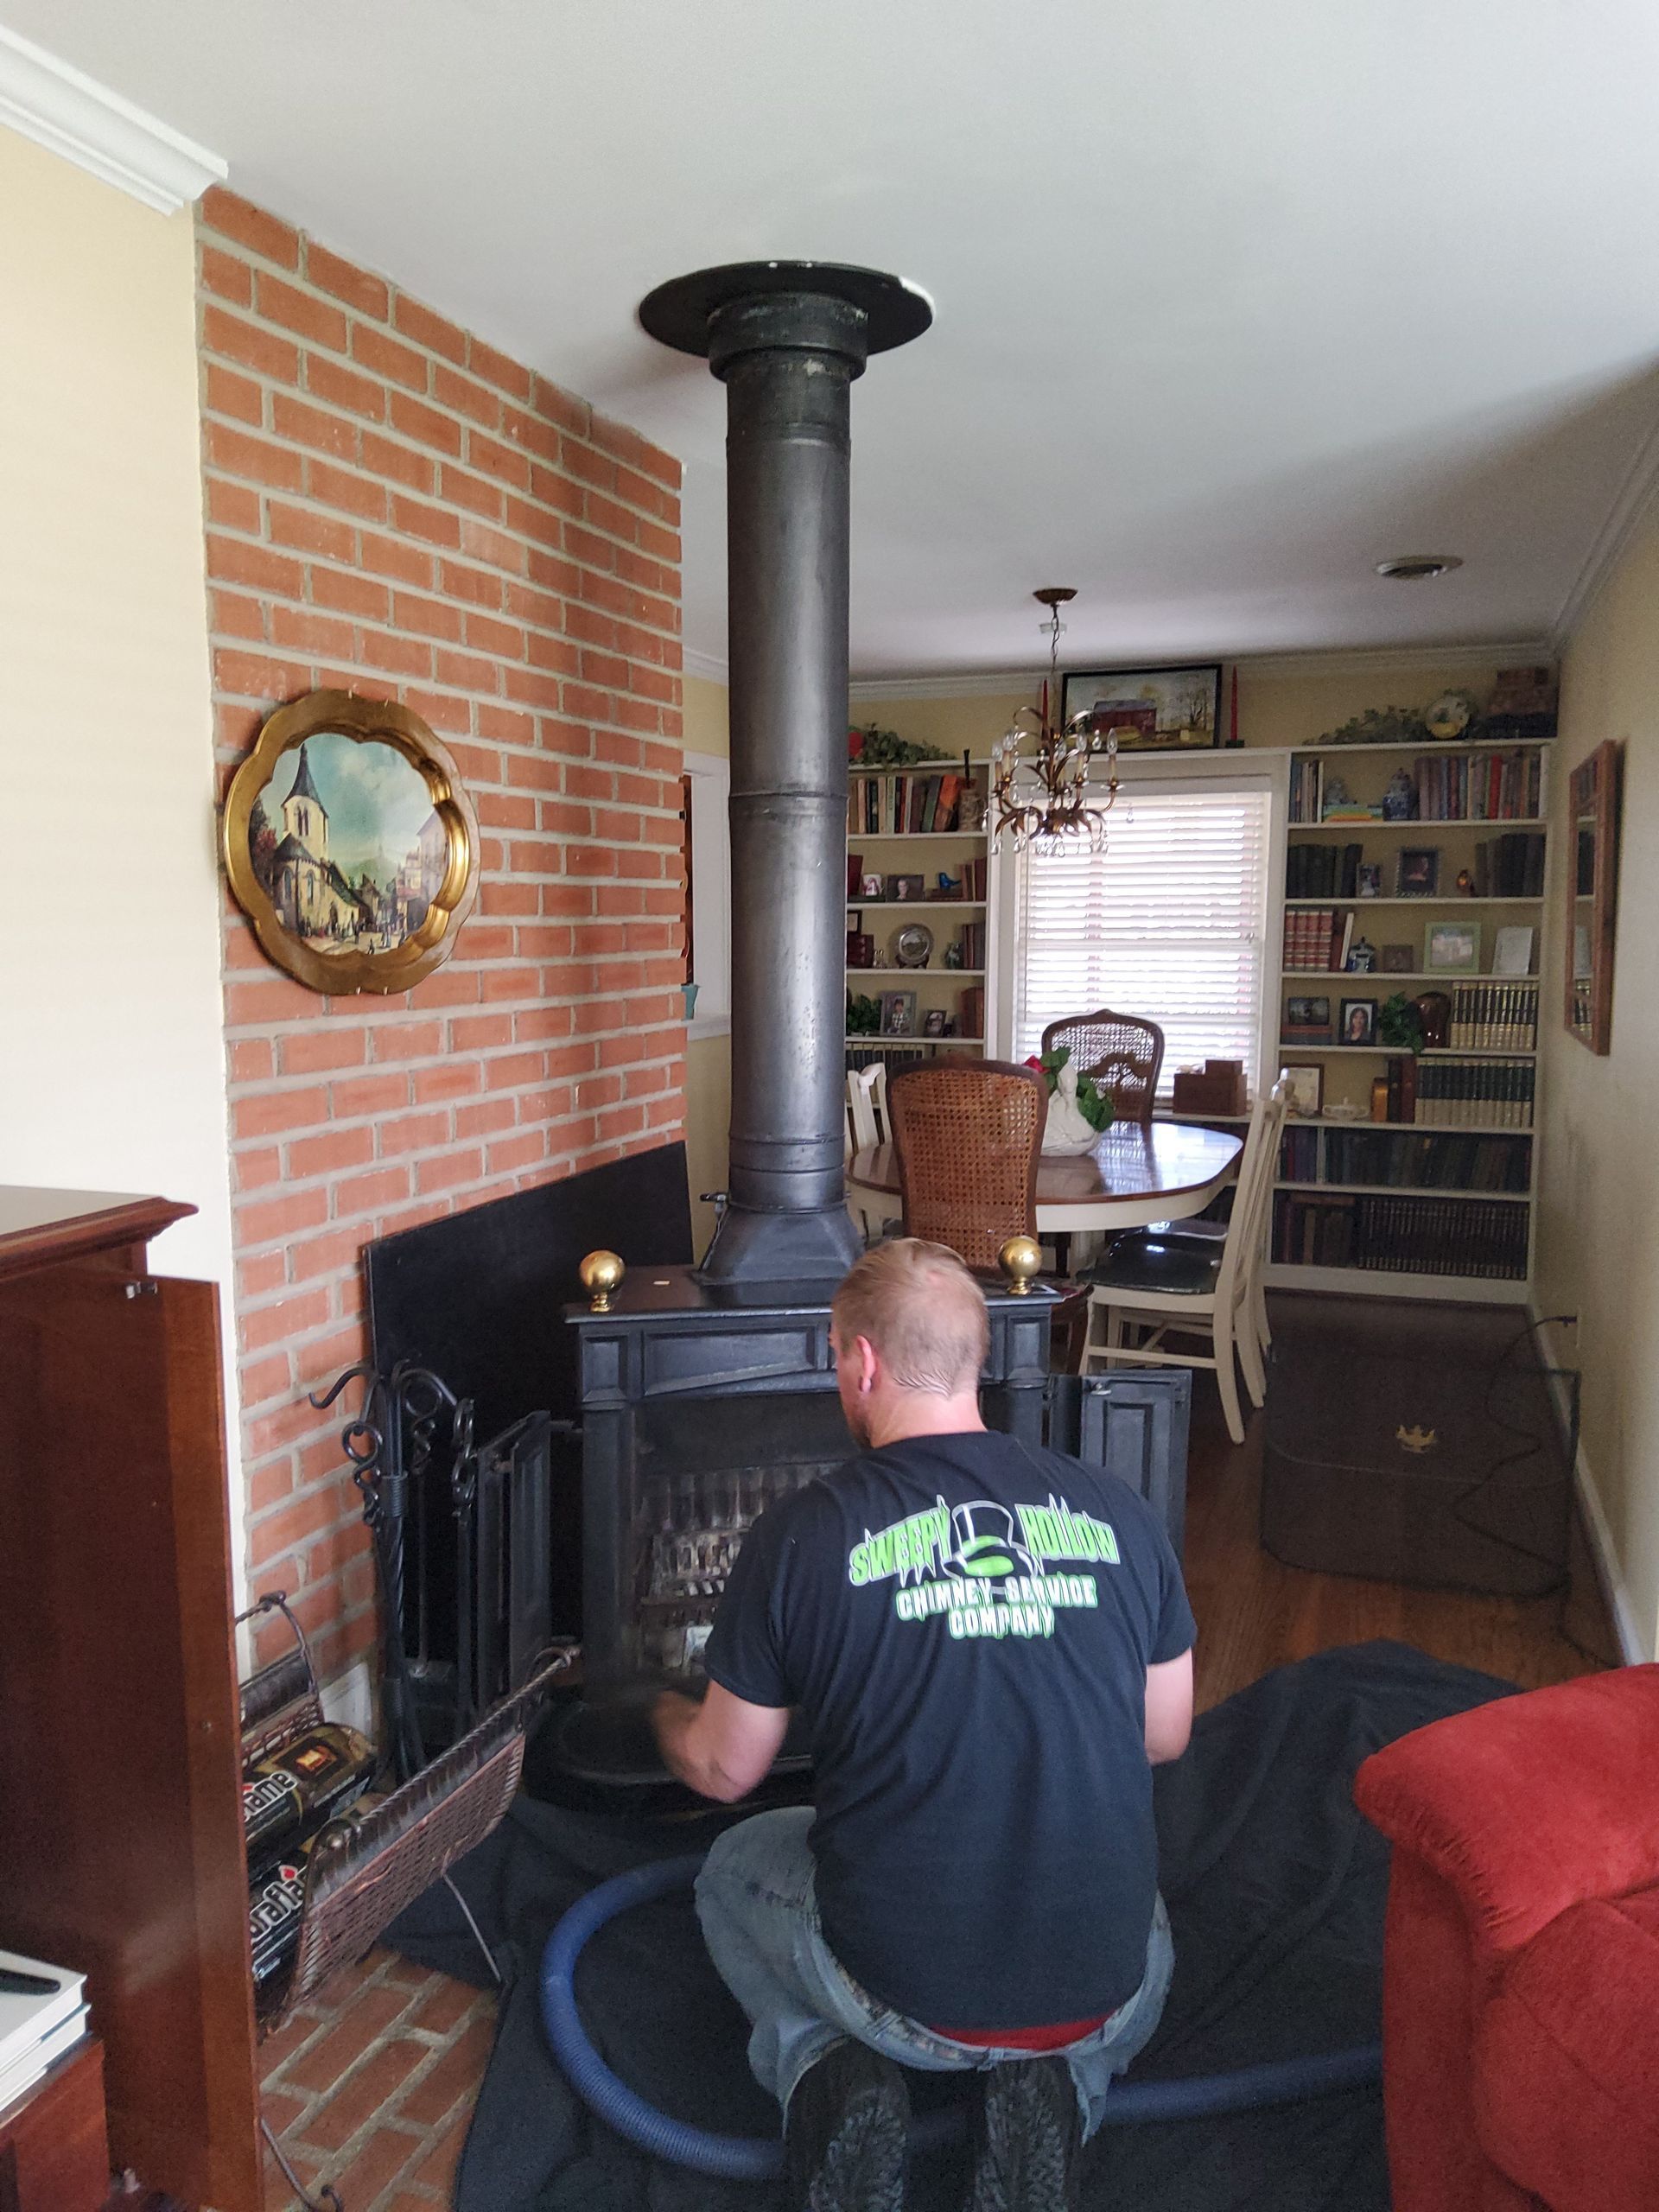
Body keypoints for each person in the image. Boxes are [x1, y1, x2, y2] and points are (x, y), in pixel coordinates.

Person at [652, 1238, 1195, 2212]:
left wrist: (657, 1716)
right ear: (973, 1358)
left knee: (729, 1869)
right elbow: (1165, 1735)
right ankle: (1061, 2091)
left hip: (896, 1996)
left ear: (861, 1361)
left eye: (836, 1358)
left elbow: (729, 1770)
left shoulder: (804, 1532)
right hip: (1102, 1988)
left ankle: (824, 2070)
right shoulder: (1120, 1510)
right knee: (1145, 1918)